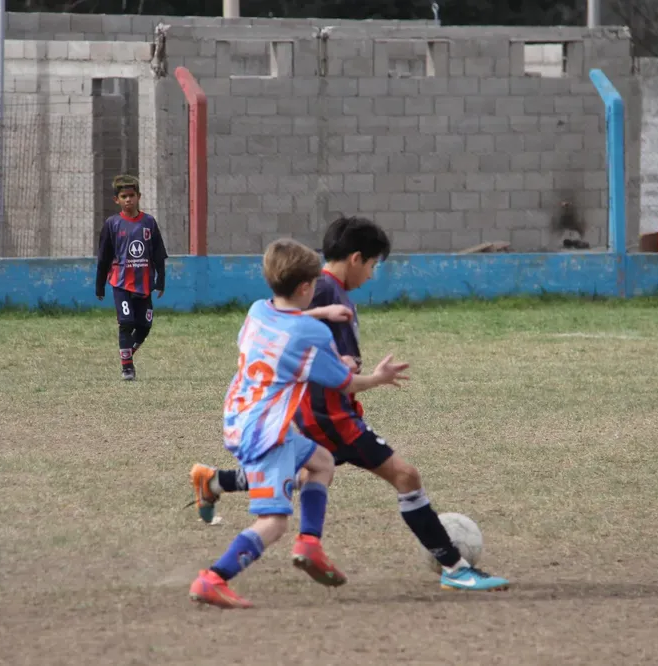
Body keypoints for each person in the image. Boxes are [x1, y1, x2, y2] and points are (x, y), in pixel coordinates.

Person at [190, 216, 510, 592]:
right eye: (374, 265)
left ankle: (215, 482)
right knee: (404, 476)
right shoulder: (324, 289)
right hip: (330, 413)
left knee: (310, 469)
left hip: (289, 416)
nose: (373, 275)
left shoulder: (291, 300)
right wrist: (373, 376)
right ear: (356, 258)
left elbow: (280, 322)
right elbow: (328, 367)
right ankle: (454, 567)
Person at [188, 237, 410, 609]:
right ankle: (213, 578)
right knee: (273, 523)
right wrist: (377, 377)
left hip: (240, 417)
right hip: (266, 433)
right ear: (307, 287)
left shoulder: (257, 311)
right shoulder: (311, 336)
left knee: (321, 461)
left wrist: (323, 313)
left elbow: (285, 324)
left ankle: (310, 543)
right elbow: (344, 383)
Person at [94, 175, 167, 381]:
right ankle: (127, 368)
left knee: (144, 326)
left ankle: (126, 353)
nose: (128, 200)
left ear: (139, 197)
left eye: (132, 196)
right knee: (126, 322)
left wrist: (160, 280)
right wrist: (99, 285)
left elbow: (159, 254)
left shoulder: (148, 223)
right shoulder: (112, 224)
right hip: (121, 282)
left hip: (143, 284)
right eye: (124, 196)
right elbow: (104, 256)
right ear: (116, 200)